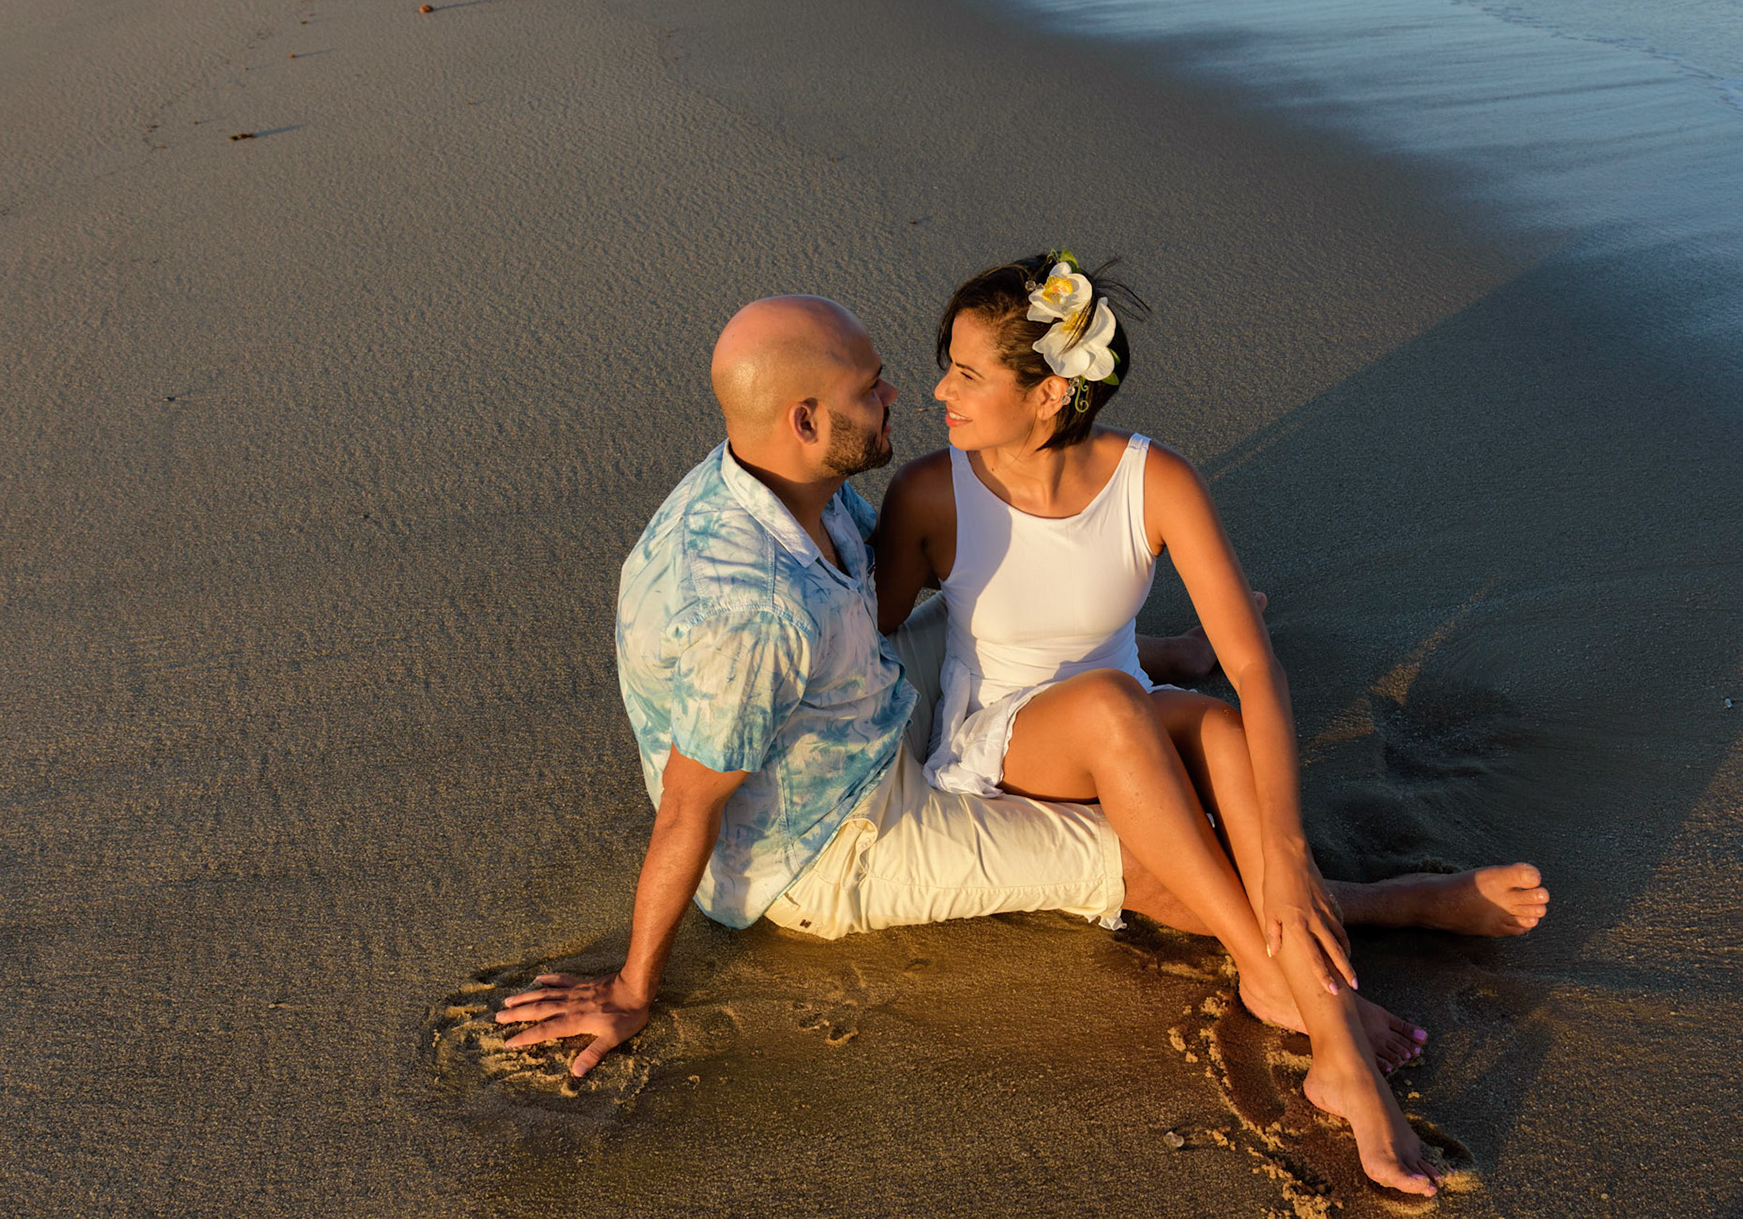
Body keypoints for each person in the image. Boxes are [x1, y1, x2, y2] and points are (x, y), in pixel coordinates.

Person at [496, 292, 1546, 1198]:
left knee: (1152, 726)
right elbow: (691, 802)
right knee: (1142, 841)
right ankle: (1324, 969)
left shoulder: (783, 480)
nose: (900, 395)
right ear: (807, 416)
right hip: (832, 841)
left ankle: (1298, 902)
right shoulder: (754, 606)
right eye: (874, 386)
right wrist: (635, 986)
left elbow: (884, 609)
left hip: (856, 723)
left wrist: (1151, 647)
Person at [871, 252, 1548, 1195]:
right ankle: (1317, 1001)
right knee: (1118, 710)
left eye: (967, 371)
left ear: (1052, 394)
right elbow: (876, 621)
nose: (940, 388)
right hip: (1005, 739)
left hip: (1131, 709)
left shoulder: (1154, 481)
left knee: (1221, 729)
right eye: (947, 364)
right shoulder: (930, 494)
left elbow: (1255, 668)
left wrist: (1288, 850)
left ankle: (1327, 935)